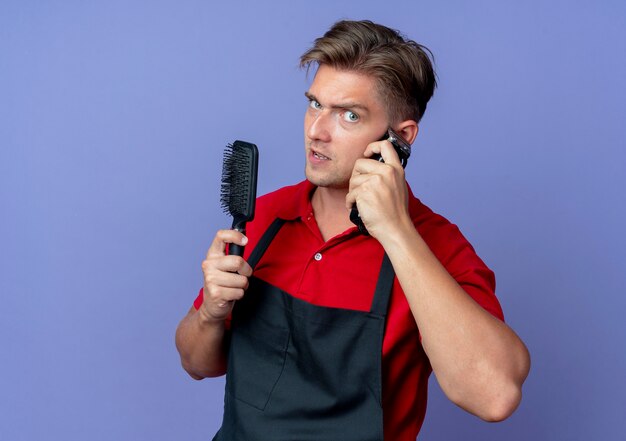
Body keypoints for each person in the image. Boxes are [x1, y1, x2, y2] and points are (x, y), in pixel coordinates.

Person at [175, 19, 530, 441]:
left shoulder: (437, 245)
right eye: (314, 104)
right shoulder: (265, 217)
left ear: (399, 138)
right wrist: (211, 314)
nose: (316, 131)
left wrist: (397, 234)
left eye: (348, 115)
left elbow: (494, 397)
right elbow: (197, 363)